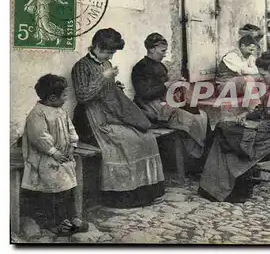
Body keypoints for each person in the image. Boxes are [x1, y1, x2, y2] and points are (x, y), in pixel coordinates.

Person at [71, 28, 165, 208]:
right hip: (90, 118)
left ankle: (147, 191)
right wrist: (103, 78)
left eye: (112, 53)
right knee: (127, 140)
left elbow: (106, 88)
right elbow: (83, 96)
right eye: (108, 52)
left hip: (110, 111)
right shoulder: (81, 66)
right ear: (96, 47)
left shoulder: (105, 63)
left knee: (146, 137)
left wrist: (114, 86)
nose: (110, 56)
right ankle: (122, 196)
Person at [199, 50, 270, 203]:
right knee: (223, 129)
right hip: (267, 132)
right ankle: (216, 187)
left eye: (264, 75)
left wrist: (252, 126)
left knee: (227, 134)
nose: (262, 79)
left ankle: (232, 189)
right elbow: (263, 110)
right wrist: (246, 115)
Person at [132, 33, 211, 173]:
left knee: (203, 116)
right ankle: (196, 163)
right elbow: (145, 94)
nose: (164, 54)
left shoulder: (161, 66)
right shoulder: (140, 68)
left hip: (166, 104)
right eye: (162, 51)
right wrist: (168, 84)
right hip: (152, 108)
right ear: (151, 49)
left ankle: (202, 160)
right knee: (193, 120)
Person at [21, 74, 89, 236]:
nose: (66, 99)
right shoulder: (37, 114)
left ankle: (71, 218)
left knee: (68, 187)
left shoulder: (61, 111)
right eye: (64, 95)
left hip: (63, 158)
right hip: (44, 158)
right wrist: (54, 152)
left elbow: (71, 129)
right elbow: (39, 137)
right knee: (52, 191)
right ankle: (53, 223)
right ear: (52, 98)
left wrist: (72, 146)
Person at [216, 33, 261, 98]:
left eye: (253, 50)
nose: (252, 53)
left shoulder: (249, 56)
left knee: (262, 77)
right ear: (242, 46)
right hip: (223, 87)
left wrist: (254, 71)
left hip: (238, 87)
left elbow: (256, 70)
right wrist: (253, 70)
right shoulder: (231, 55)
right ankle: (253, 105)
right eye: (250, 50)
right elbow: (243, 71)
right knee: (248, 79)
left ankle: (261, 104)